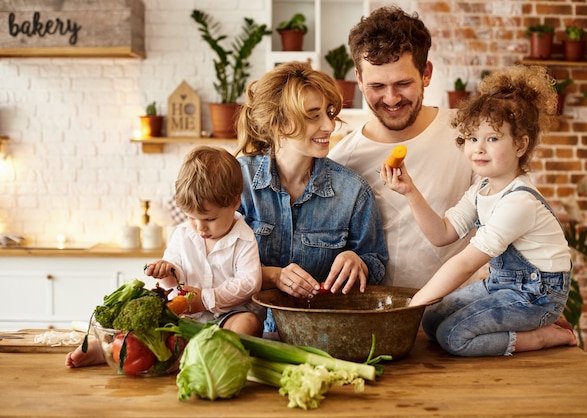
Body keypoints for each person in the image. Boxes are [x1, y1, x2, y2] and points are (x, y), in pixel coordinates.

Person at [380, 64, 577, 356]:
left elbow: (465, 264)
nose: (478, 148)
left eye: (492, 138)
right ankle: (528, 325)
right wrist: (410, 191)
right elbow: (442, 234)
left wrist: (411, 306)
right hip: (503, 285)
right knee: (432, 321)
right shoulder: (481, 189)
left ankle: (544, 335)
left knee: (453, 337)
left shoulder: (518, 202)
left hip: (537, 294)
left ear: (521, 144)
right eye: (472, 138)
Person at [66, 146, 263, 367]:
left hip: (226, 317)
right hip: (185, 319)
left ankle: (218, 353)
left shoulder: (244, 238)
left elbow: (249, 283)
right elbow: (173, 278)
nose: (200, 227)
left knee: (249, 322)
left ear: (235, 202)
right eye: (191, 218)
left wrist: (207, 298)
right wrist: (166, 271)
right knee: (151, 324)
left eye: (209, 219)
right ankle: (105, 349)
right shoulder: (182, 234)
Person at [328, 6, 477, 289]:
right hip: (384, 319)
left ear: (426, 74)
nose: (391, 98)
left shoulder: (469, 135)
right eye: (377, 85)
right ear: (359, 80)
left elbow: (503, 216)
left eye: (403, 83)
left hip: (464, 311)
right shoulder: (342, 160)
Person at [236, 61, 388, 332]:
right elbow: (209, 260)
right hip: (244, 333)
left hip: (321, 338)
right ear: (278, 123)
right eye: (313, 115)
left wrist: (360, 263)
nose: (329, 125)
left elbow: (376, 264)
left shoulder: (353, 191)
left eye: (329, 113)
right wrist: (273, 275)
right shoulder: (238, 181)